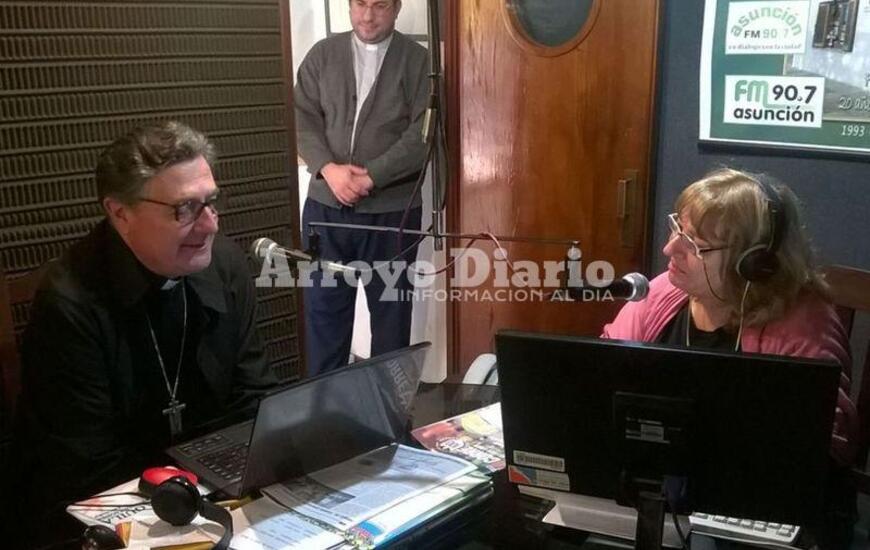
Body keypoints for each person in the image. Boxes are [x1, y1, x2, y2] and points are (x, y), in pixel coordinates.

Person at [12, 121, 277, 546]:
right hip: (98, 514)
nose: (210, 225)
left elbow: (254, 397)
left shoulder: (223, 264)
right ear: (120, 213)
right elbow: (84, 467)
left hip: (209, 493)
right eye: (185, 209)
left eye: (211, 202)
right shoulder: (70, 301)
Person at [602, 168, 858, 549]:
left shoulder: (804, 323)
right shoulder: (659, 295)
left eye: (694, 243)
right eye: (677, 229)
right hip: (660, 498)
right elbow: (603, 374)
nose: (669, 249)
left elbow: (820, 446)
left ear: (753, 263)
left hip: (752, 515)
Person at [294, 0, 429, 375]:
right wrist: (329, 170)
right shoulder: (322, 54)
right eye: (360, 4)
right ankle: (324, 416)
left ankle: (387, 421)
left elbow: (423, 134)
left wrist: (371, 177)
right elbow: (301, 117)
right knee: (323, 319)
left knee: (391, 321)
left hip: (392, 216)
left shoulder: (419, 62)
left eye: (380, 5)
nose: (368, 16)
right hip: (325, 212)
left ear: (398, 7)